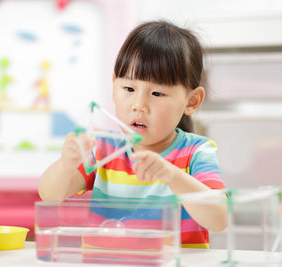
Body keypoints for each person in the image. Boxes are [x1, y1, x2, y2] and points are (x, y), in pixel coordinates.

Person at [39, 20, 227, 249]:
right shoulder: (103, 148)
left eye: (157, 93)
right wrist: (66, 164)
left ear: (192, 101)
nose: (139, 105)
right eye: (129, 89)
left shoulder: (196, 152)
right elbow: (49, 196)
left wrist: (171, 175)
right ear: (114, 86)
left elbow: (219, 219)